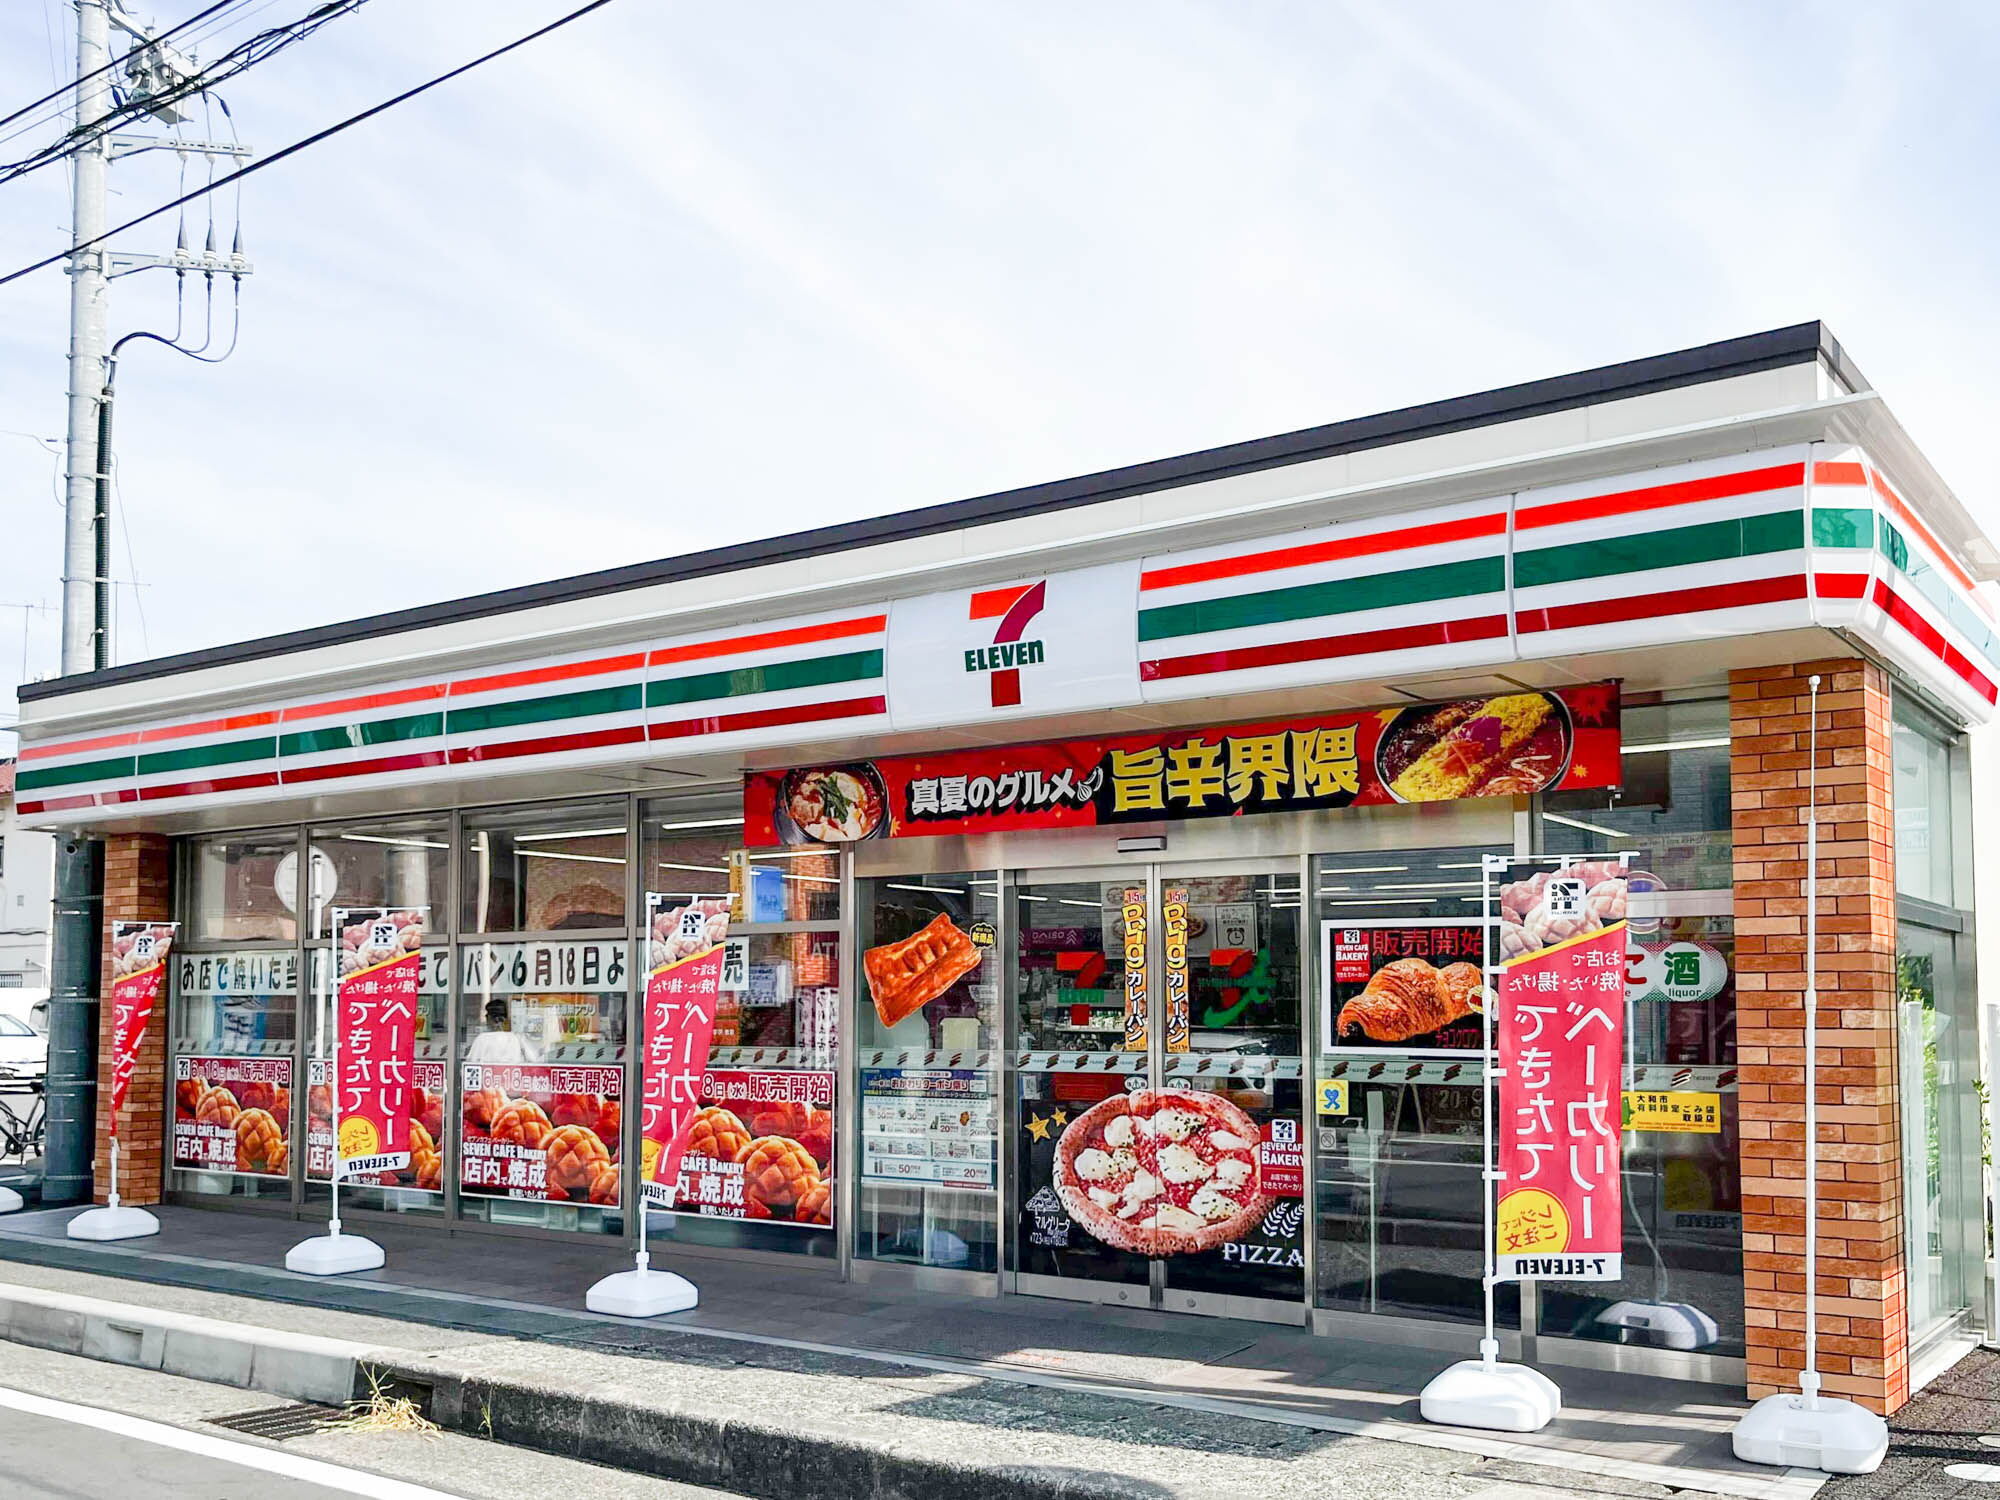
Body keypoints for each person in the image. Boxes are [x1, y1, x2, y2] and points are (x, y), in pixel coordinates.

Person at [463, 997, 541, 1064]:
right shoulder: (517, 1038)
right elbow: (534, 1058)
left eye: (486, 1016)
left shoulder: (483, 1039)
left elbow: (471, 1062)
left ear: (490, 1018)